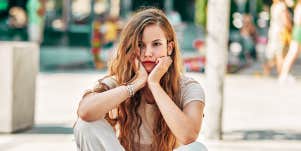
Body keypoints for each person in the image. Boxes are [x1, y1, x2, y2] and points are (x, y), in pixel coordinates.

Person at [73, 8, 207, 151]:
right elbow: (85, 112)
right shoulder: (119, 82)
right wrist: (135, 84)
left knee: (197, 149)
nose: (148, 53)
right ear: (130, 48)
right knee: (85, 125)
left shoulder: (188, 87)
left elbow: (188, 136)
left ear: (169, 48)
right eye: (140, 45)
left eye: (156, 44)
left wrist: (154, 84)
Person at [264, 0, 292, 76]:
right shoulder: (282, 6)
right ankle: (282, 75)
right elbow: (286, 21)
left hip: (274, 32)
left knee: (277, 54)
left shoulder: (274, 6)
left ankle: (267, 68)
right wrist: (291, 29)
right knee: (280, 54)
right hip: (281, 33)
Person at [278, 0, 301, 83]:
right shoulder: (299, 6)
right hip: (299, 30)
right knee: (293, 53)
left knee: (293, 53)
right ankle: (283, 75)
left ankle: (283, 74)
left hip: (297, 30)